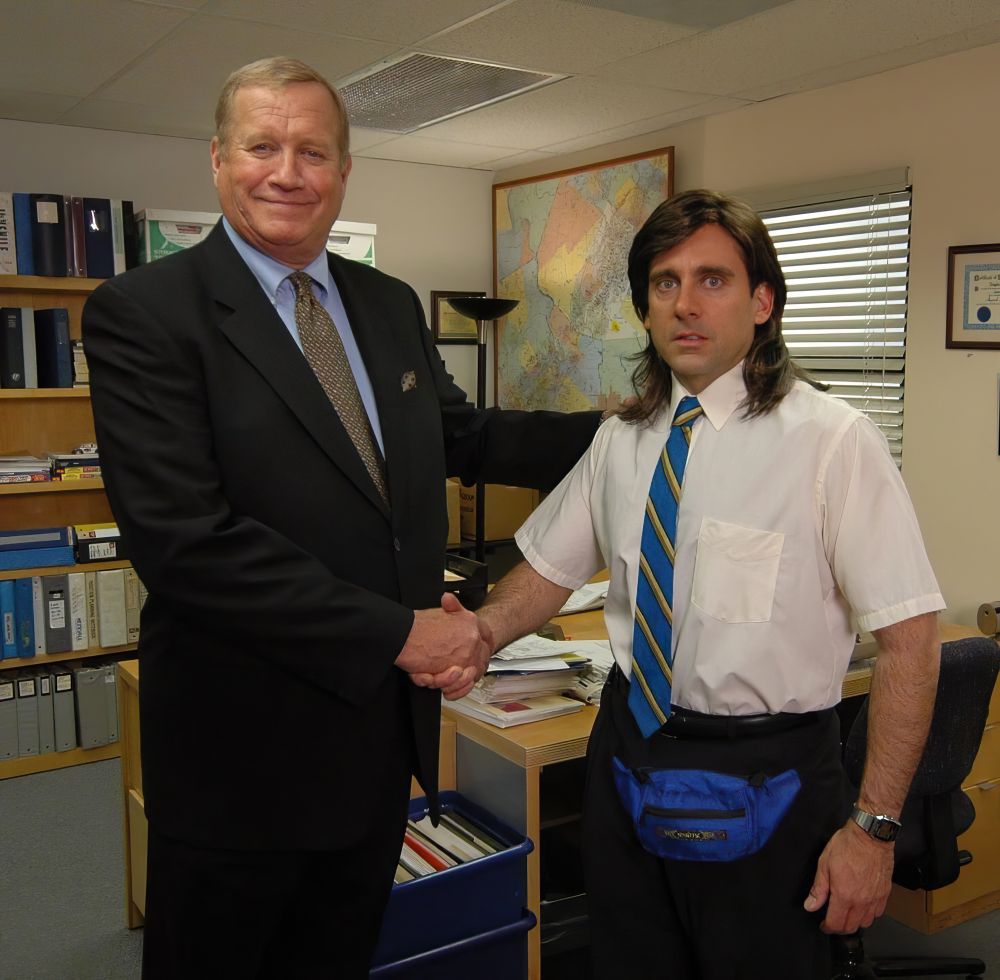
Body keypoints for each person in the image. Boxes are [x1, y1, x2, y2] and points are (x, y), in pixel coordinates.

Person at [82, 56, 599, 978]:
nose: (289, 171)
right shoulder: (146, 313)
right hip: (239, 754)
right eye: (263, 146)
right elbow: (186, 546)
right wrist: (399, 633)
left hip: (370, 745)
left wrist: (626, 427)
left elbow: (457, 433)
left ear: (345, 170)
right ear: (216, 160)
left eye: (313, 151)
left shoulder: (386, 304)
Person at [478, 189, 944, 979]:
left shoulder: (833, 442)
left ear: (763, 301)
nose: (685, 304)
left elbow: (911, 643)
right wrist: (479, 632)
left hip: (771, 779)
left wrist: (872, 830)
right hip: (628, 753)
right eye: (664, 282)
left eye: (712, 280)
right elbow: (549, 574)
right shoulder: (621, 440)